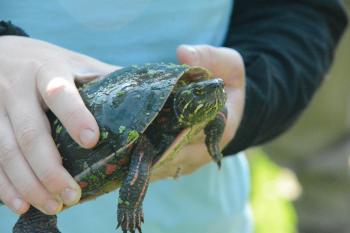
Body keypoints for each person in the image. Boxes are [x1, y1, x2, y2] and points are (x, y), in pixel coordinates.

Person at [0, 0, 347, 232]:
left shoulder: (188, 111)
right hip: (21, 175)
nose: (212, 92)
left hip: (201, 216)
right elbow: (141, 157)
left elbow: (303, 11)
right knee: (41, 204)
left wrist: (249, 98)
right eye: (201, 93)